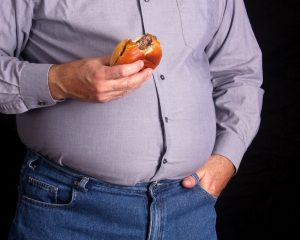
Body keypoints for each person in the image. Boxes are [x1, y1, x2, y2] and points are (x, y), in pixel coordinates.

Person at [0, 0, 263, 239]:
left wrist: (227, 157)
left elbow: (240, 73)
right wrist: (60, 81)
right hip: (70, 212)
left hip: (189, 212)